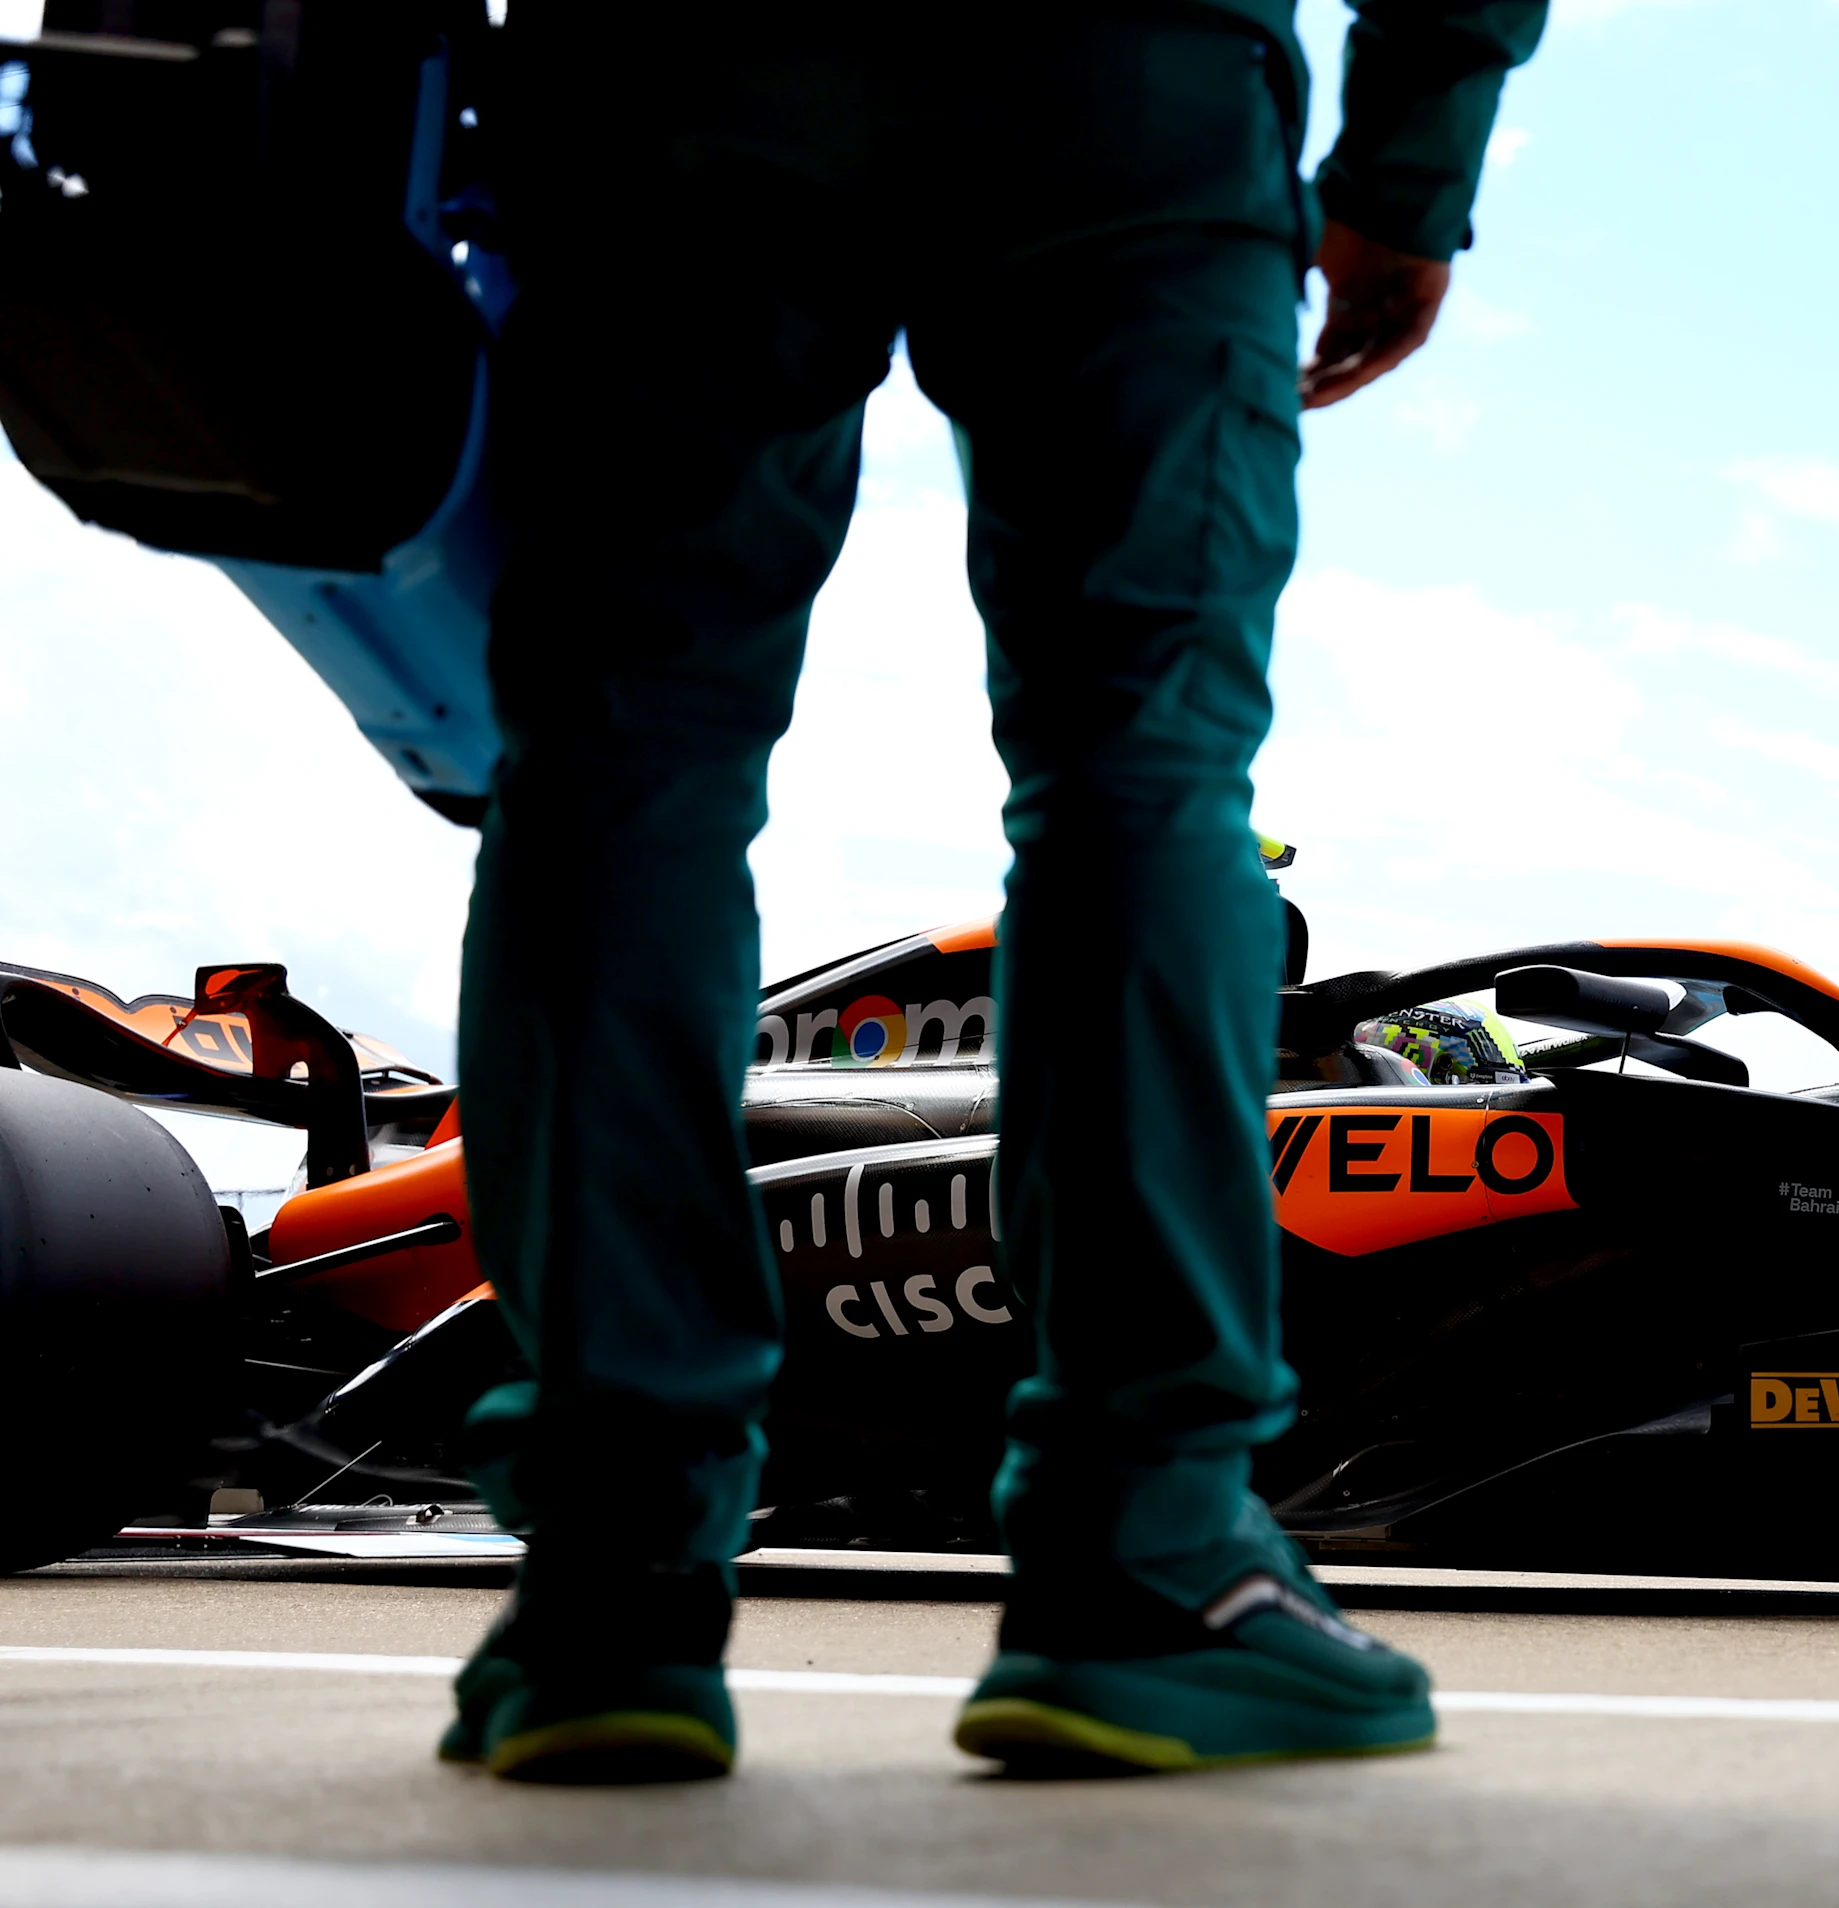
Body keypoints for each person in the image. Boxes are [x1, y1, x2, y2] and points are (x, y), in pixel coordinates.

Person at [439, 0, 1542, 1782]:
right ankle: (1146, 1552)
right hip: (1129, 77)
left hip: (674, 76)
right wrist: (1411, 167)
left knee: (619, 754)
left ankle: (609, 1578)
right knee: (1138, 770)